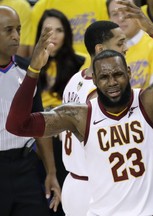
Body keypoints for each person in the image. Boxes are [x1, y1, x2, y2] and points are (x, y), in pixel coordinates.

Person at [6, 0, 153, 215]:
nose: (111, 82)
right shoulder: (79, 116)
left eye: (118, 74)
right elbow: (18, 125)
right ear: (95, 79)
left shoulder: (149, 102)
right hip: (92, 195)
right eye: (104, 77)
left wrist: (152, 30)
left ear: (129, 73)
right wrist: (33, 70)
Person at [61, 20, 127, 216]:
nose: (126, 48)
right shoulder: (102, 92)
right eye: (120, 43)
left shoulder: (75, 80)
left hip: (73, 183)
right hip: (96, 188)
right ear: (100, 49)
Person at [0, 5, 61, 216]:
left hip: (26, 166)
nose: (16, 36)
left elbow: (39, 124)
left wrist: (51, 172)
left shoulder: (30, 69)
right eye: (8, 30)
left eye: (18, 29)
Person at [35, 9, 86, 216]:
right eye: (48, 30)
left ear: (67, 34)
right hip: (37, 139)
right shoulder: (29, 66)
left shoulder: (82, 63)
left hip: (70, 136)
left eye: (59, 30)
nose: (54, 35)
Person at [107, 0, 153, 88]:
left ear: (139, 14)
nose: (121, 18)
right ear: (109, 18)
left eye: (126, 12)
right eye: (115, 14)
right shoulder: (102, 48)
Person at [27, 0, 109, 59]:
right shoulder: (41, 6)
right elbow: (35, 50)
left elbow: (109, 45)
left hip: (93, 70)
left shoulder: (101, 3)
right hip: (50, 71)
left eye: (59, 30)